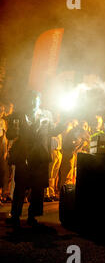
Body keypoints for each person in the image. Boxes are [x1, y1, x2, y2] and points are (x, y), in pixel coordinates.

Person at [5, 90, 62, 228]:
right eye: (30, 99)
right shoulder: (18, 115)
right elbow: (10, 135)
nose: (32, 102)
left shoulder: (47, 115)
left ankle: (32, 216)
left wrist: (64, 121)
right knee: (20, 187)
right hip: (23, 155)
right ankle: (15, 215)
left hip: (40, 156)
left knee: (38, 188)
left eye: (35, 99)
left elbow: (53, 131)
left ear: (39, 100)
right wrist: (14, 129)